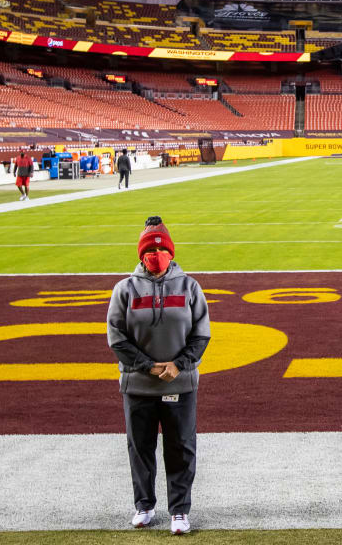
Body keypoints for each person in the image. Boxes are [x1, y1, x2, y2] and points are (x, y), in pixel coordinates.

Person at [106, 216, 210, 536]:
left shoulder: (190, 287)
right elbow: (117, 337)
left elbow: (200, 334)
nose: (157, 257)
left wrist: (179, 364)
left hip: (180, 382)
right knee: (140, 447)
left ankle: (179, 511)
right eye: (150, 252)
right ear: (141, 255)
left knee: (180, 446)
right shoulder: (125, 289)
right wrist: (147, 366)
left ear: (171, 252)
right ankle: (144, 506)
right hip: (139, 385)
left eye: (162, 250)